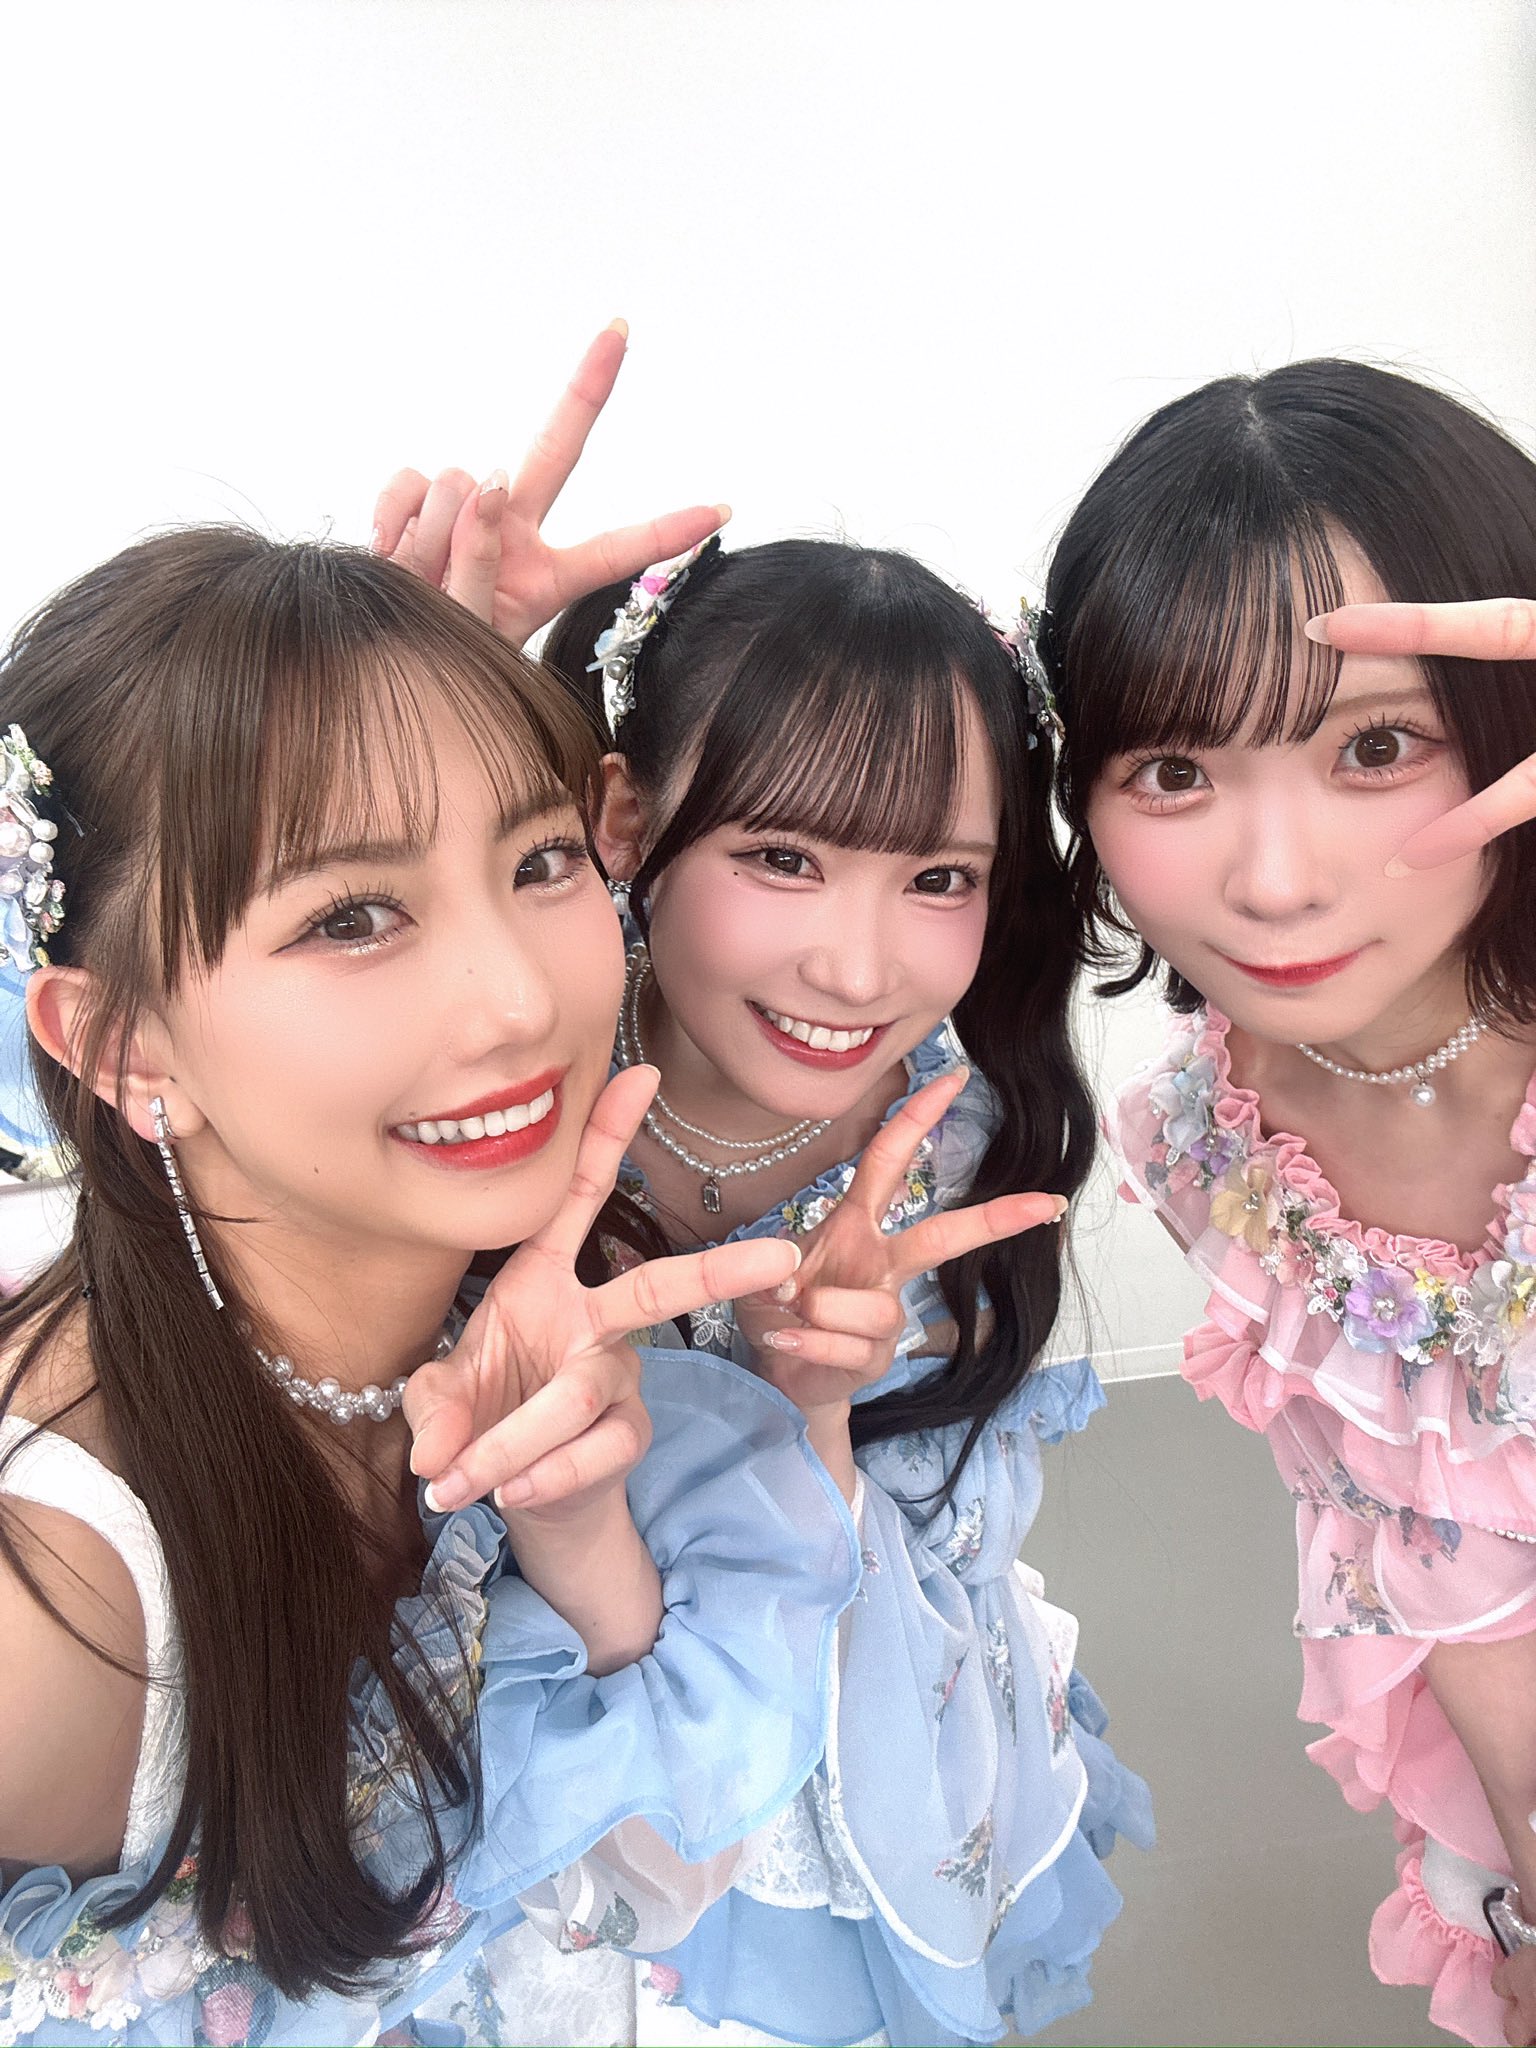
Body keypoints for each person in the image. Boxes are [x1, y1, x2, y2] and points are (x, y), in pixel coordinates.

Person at [0, 521, 864, 2046]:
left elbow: (646, 1882)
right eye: (351, 916)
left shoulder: (515, 1307)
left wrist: (578, 1535)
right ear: (123, 1046)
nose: (523, 999)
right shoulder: (55, 1617)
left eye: (539, 862)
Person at [433, 532, 1147, 2048]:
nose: (857, 969)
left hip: (837, 1731)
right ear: (625, 818)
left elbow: (885, 1587)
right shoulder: (497, 1081)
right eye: (783, 858)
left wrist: (812, 1407)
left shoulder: (957, 1148)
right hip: (536, 1743)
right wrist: (406, 701)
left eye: (938, 877)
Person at [1043, 356, 1536, 2048]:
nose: (1273, 880)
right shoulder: (1216, 1148)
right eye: (1175, 772)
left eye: (1375, 746)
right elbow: (1428, 1563)